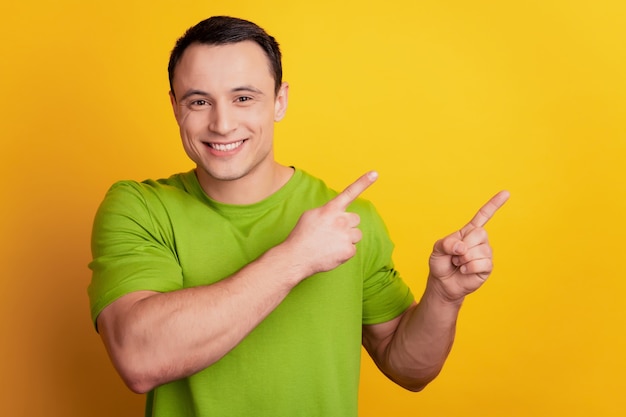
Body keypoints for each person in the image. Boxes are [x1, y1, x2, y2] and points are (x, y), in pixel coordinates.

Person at [88, 15, 509, 417]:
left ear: (280, 101)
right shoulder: (139, 207)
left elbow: (409, 368)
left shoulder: (347, 220)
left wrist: (444, 297)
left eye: (243, 98)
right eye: (199, 101)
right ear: (175, 107)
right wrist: (295, 259)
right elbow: (139, 358)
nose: (222, 123)